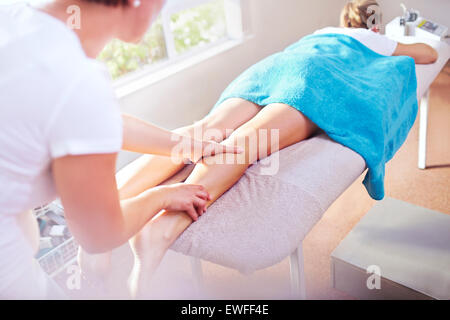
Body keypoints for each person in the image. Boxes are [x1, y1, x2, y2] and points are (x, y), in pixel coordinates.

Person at [77, 0, 439, 298]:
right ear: (370, 24)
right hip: (317, 80)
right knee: (246, 143)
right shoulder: (370, 39)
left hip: (272, 70)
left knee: (201, 132)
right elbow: (425, 53)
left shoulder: (318, 33)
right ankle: (162, 230)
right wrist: (401, 41)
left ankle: (99, 220)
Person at [0, 0, 242, 299]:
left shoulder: (14, 19)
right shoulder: (77, 78)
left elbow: (91, 121)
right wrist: (162, 196)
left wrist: (185, 144)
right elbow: (98, 234)